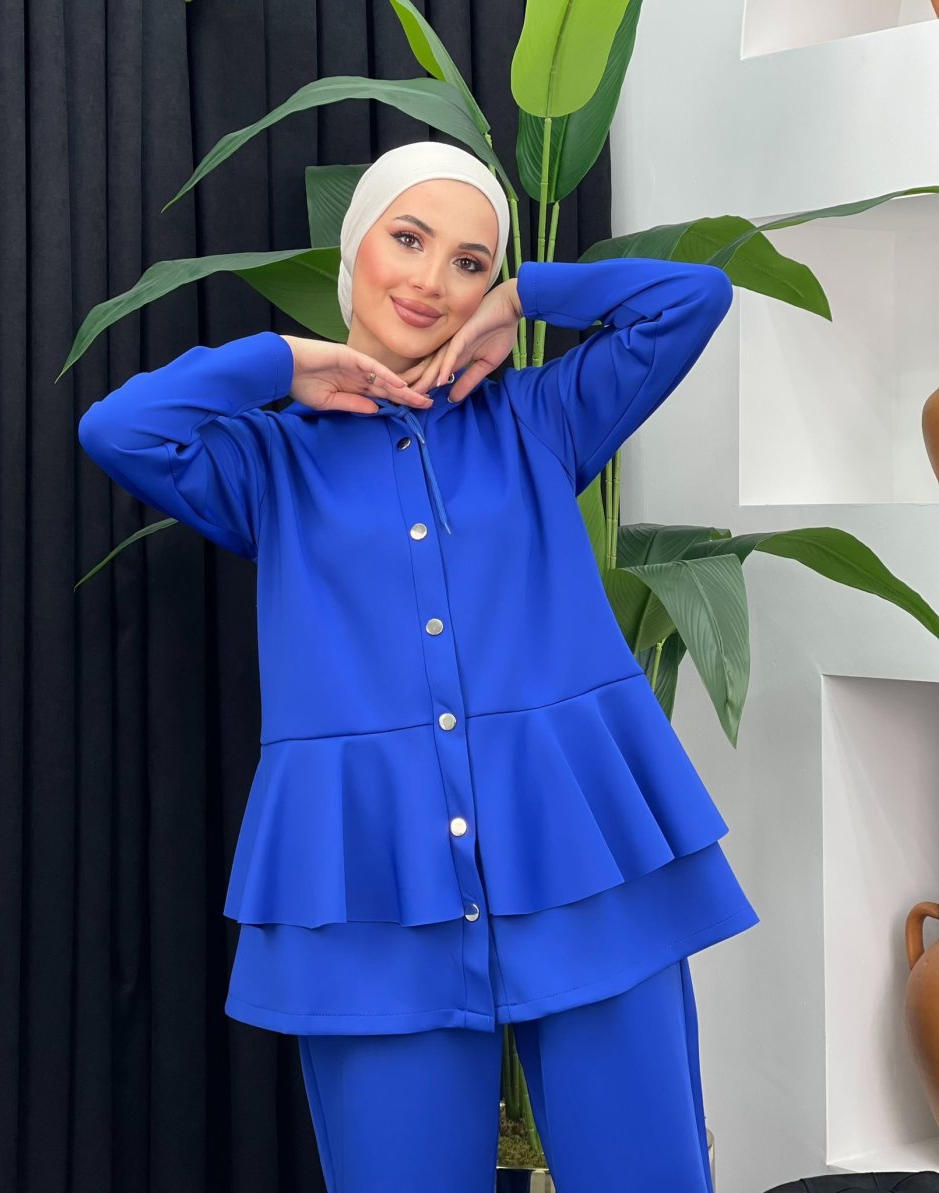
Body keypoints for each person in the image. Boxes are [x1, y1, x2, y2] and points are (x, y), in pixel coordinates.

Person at [78, 140, 759, 1192]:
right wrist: (282, 364)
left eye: (469, 262)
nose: (431, 280)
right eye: (407, 238)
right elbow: (120, 428)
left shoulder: (541, 417)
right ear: (355, 247)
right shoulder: (270, 462)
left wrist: (530, 297)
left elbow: (693, 298)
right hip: (368, 880)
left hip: (579, 852)